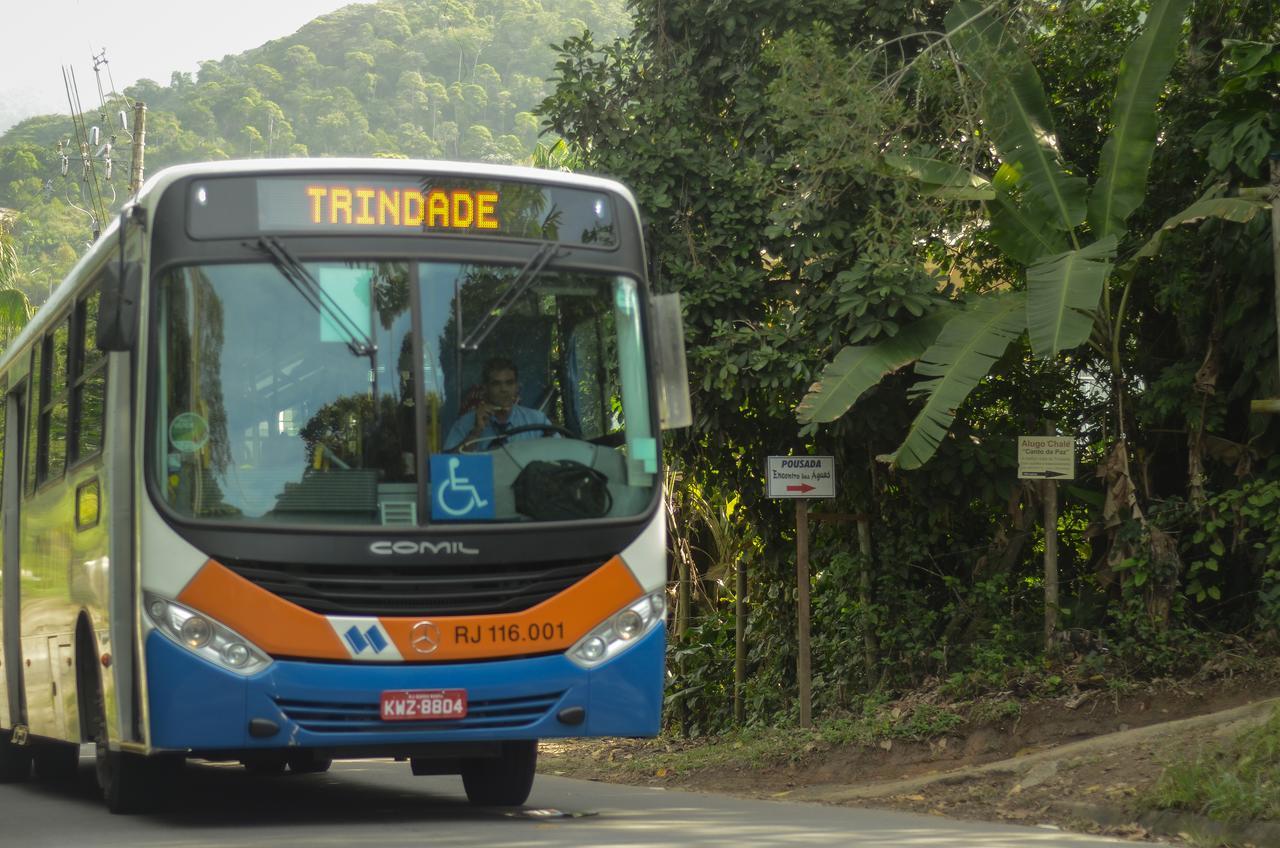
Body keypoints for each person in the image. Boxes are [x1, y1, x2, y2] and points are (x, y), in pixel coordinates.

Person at [444, 357, 554, 451]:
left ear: (517, 387)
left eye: (509, 383)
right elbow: (447, 466)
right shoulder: (465, 424)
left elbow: (559, 457)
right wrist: (475, 432)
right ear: (485, 388)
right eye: (496, 384)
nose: (504, 389)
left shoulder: (537, 421)